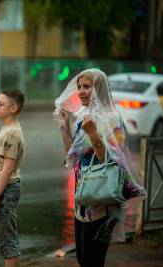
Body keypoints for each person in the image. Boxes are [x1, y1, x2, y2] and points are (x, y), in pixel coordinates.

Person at [53, 69, 146, 267]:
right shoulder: (82, 117)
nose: (81, 92)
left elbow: (113, 162)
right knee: (81, 257)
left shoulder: (113, 119)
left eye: (87, 87)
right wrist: (63, 127)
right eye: (79, 87)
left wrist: (94, 134)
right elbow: (72, 157)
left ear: (99, 89)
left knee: (93, 259)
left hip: (103, 198)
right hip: (84, 196)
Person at [0, 89, 25, 267]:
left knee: (7, 241)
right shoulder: (8, 129)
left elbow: (8, 168)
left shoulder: (11, 133)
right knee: (5, 240)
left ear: (13, 108)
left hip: (5, 190)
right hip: (3, 189)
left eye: (1, 104)